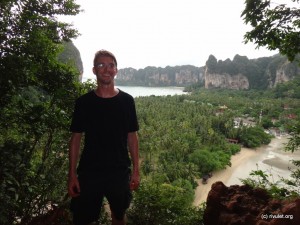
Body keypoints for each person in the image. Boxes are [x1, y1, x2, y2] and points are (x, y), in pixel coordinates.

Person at [68, 50, 140, 225]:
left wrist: (136, 170)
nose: (106, 69)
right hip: (89, 171)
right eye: (101, 65)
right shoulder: (84, 102)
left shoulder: (127, 101)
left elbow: (132, 136)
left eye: (111, 65)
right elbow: (76, 138)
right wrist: (72, 174)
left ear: (116, 70)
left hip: (119, 171)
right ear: (94, 70)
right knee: (82, 217)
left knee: (118, 215)